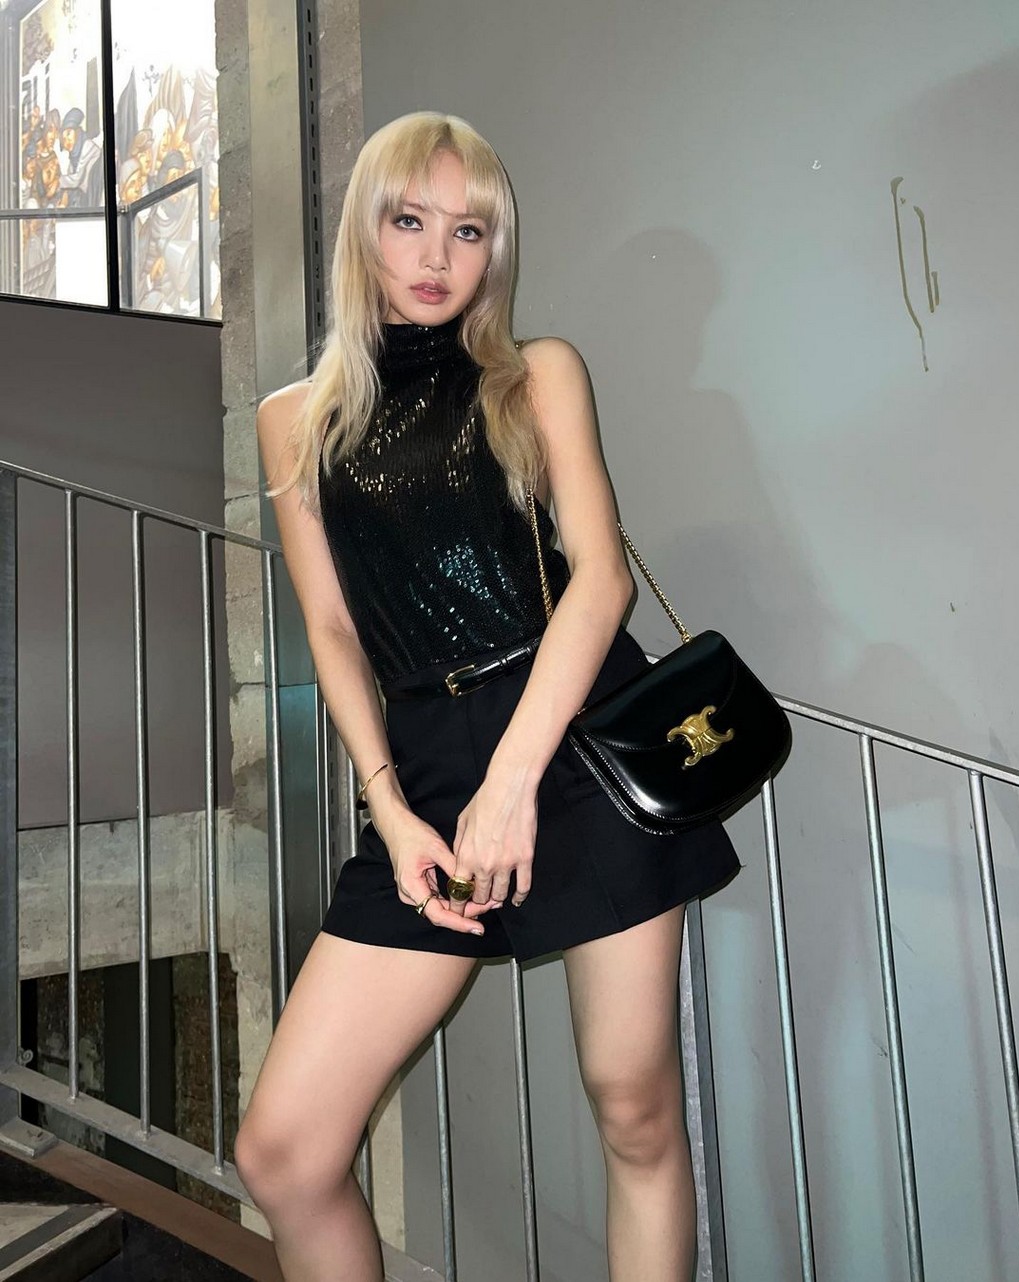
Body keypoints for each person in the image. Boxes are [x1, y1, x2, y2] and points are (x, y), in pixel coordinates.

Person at [235, 110, 741, 1281]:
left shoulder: (535, 374)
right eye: (409, 221)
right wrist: (390, 805)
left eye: (467, 232)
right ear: (364, 231)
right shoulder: (293, 421)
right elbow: (331, 627)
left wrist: (513, 783)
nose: (435, 255)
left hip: (575, 742)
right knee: (285, 1152)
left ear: (494, 251)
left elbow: (601, 578)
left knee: (633, 1107)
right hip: (422, 771)